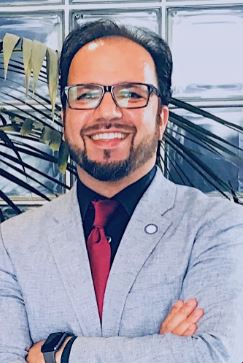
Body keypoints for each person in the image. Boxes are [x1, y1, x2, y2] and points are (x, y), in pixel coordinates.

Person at [1, 19, 243, 363]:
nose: (108, 112)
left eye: (131, 93)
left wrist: (61, 353)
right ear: (65, 114)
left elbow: (216, 353)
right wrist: (163, 350)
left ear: (161, 118)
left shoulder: (220, 227)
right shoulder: (11, 243)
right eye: (85, 94)